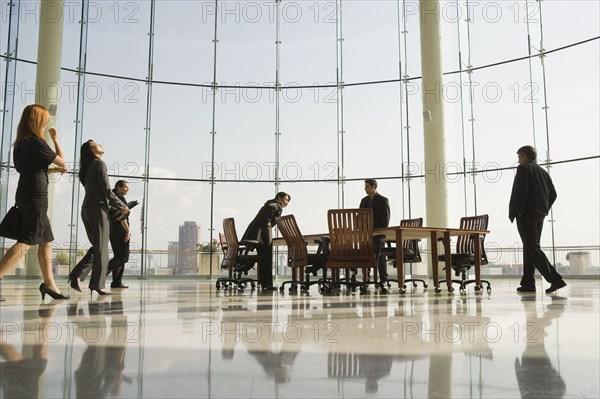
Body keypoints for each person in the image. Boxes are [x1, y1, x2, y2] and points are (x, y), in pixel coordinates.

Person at [0, 104, 68, 301]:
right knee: (28, 240)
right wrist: (56, 140)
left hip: (25, 191)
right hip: (37, 195)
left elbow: (34, 170)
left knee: (46, 241)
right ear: (38, 121)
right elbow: (62, 161)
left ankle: (49, 284)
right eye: (45, 119)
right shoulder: (38, 143)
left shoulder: (21, 144)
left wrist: (52, 171)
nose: (47, 122)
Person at [69, 140, 128, 296]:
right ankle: (96, 284)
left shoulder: (87, 167)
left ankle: (76, 276)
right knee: (101, 248)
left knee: (98, 247)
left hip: (87, 209)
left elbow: (98, 190)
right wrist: (122, 205)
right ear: (92, 150)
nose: (101, 144)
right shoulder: (99, 164)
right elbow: (107, 190)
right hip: (97, 209)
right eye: (96, 143)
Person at [509, 145, 566, 294]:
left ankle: (555, 279)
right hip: (539, 214)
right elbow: (553, 194)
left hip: (526, 214)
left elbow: (521, 191)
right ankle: (528, 283)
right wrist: (543, 208)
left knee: (532, 248)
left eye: (519, 157)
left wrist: (520, 211)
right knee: (530, 247)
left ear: (525, 156)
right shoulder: (543, 172)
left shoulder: (524, 169)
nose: (518, 160)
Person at [69, 181, 132, 290]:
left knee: (117, 256)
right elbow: (122, 217)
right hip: (119, 231)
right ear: (119, 187)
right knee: (122, 257)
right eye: (126, 187)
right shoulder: (118, 199)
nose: (128, 189)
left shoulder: (111, 199)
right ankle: (99, 274)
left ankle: (116, 281)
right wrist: (128, 231)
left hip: (110, 229)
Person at [242, 192, 290, 290]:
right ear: (279, 197)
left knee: (263, 257)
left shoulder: (268, 203)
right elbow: (272, 207)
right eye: (286, 199)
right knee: (267, 257)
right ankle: (267, 284)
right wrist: (268, 223)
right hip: (262, 232)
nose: (286, 203)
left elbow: (269, 207)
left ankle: (262, 280)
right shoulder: (277, 204)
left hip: (253, 232)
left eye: (288, 201)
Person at [359, 179, 390, 281]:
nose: (365, 188)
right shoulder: (364, 201)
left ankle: (383, 278)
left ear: (373, 187)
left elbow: (385, 220)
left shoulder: (383, 200)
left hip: (378, 233)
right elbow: (359, 217)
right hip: (366, 233)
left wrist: (377, 231)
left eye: (367, 186)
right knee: (365, 252)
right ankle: (366, 277)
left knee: (380, 252)